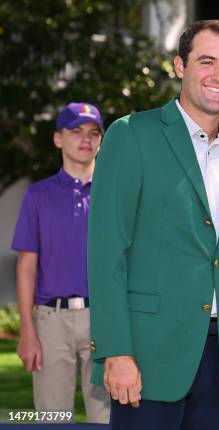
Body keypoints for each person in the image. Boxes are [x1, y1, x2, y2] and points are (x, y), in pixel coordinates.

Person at [87, 20, 219, 430]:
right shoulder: (131, 135)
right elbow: (107, 252)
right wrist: (116, 352)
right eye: (207, 62)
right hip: (148, 355)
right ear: (180, 66)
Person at [11, 102, 110, 423]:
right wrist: (28, 331)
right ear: (58, 139)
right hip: (51, 322)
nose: (86, 139)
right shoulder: (38, 196)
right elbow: (26, 267)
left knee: (107, 419)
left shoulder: (114, 194)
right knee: (52, 419)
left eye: (94, 133)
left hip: (104, 319)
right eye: (76, 131)